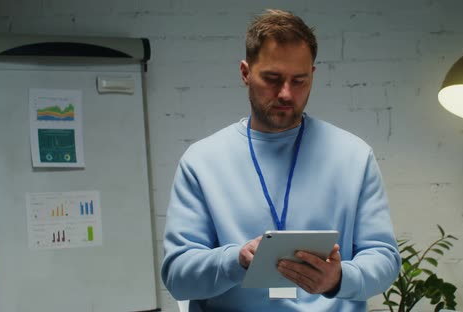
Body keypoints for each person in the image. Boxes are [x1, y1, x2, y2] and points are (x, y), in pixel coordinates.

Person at [161, 9, 401, 311]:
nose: (286, 93)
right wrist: (236, 260)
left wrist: (339, 278)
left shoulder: (354, 156)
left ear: (313, 75)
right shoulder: (201, 161)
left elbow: (384, 258)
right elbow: (177, 276)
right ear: (245, 72)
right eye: (272, 79)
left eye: (299, 81)